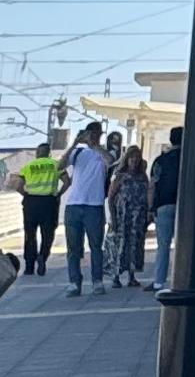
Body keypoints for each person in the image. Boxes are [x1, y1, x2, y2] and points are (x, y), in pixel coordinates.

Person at [61, 122, 111, 296]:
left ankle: (97, 280)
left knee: (96, 245)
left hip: (94, 205)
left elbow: (110, 161)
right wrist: (75, 143)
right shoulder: (77, 153)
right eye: (91, 133)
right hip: (74, 204)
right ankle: (74, 282)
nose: (94, 136)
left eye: (97, 134)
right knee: (73, 247)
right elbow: (59, 166)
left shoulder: (101, 153)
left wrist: (94, 145)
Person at [108, 136, 153, 289]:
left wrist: (148, 213)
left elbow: (147, 193)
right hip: (123, 216)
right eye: (132, 158)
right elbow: (111, 197)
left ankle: (132, 275)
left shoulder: (142, 177)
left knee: (135, 245)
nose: (134, 161)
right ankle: (116, 276)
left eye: (137, 158)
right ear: (127, 160)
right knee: (120, 245)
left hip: (138, 216)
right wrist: (113, 218)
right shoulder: (120, 176)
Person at [15, 137, 64, 273]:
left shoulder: (28, 166)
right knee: (47, 233)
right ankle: (42, 256)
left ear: (37, 153)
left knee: (30, 234)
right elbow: (67, 181)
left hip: (31, 202)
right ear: (49, 153)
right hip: (48, 202)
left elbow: (18, 186)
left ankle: (29, 266)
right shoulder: (56, 164)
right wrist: (59, 194)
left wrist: (26, 195)